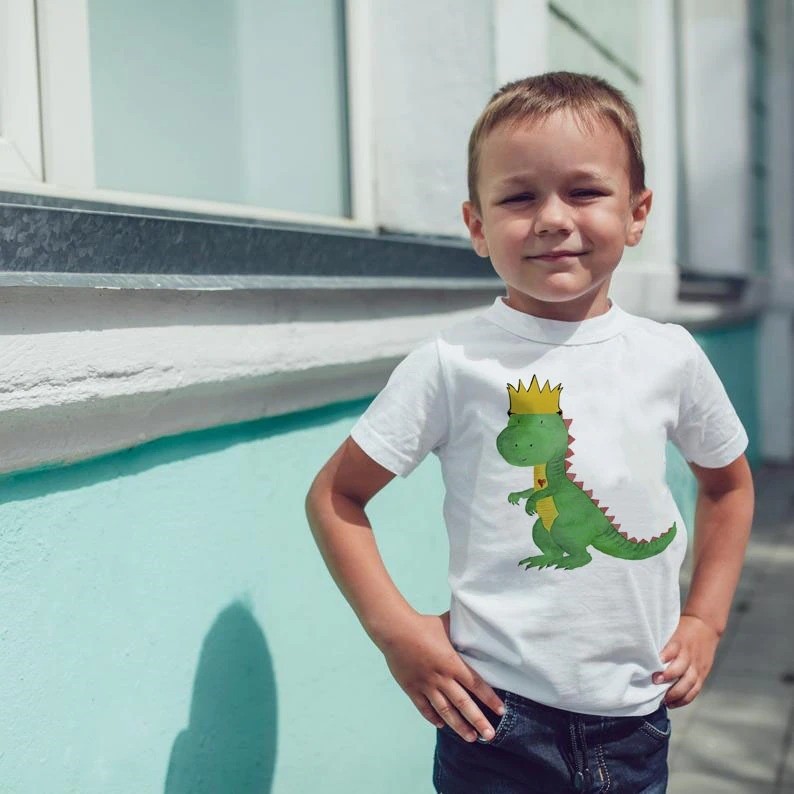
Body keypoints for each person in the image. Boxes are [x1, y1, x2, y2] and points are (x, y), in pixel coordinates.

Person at [305, 72, 755, 793]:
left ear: (637, 213)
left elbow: (728, 486)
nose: (551, 219)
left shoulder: (670, 356)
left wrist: (705, 618)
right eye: (518, 197)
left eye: (585, 191)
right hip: (491, 722)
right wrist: (397, 632)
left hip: (635, 723)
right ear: (477, 225)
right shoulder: (451, 363)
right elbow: (335, 497)